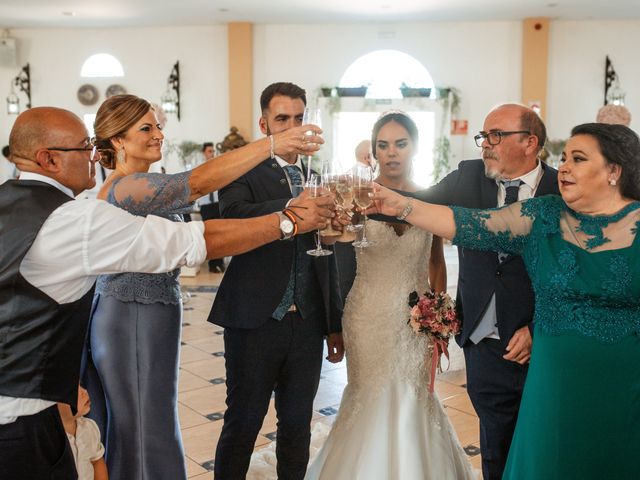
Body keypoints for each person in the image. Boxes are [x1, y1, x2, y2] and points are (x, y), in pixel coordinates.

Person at [0, 107, 332, 480]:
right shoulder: (80, 215)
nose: (94, 156)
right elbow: (197, 215)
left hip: (41, 386)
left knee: (152, 418)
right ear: (48, 159)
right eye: (84, 148)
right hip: (39, 401)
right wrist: (289, 215)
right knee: (143, 424)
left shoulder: (15, 204)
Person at [369, 121, 640, 480]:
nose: (565, 168)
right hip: (554, 386)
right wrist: (399, 203)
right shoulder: (545, 216)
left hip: (625, 385)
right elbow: (467, 223)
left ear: (613, 171)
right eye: (565, 158)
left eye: (578, 159)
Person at [375, 103, 557, 479]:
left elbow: (576, 276)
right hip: (483, 339)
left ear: (530, 143)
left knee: (544, 445)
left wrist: (540, 328)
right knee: (494, 443)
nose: (485, 145)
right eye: (483, 136)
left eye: (496, 136)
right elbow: (415, 205)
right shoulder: (469, 176)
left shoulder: (561, 189)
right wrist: (360, 198)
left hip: (544, 344)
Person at [305, 111, 472, 479]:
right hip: (367, 314)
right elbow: (331, 241)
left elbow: (436, 262)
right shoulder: (358, 196)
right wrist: (335, 222)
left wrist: (438, 315)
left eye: (400, 144)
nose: (392, 153)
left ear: (414, 147)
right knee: (368, 393)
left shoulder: (431, 198)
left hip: (416, 321)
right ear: (374, 152)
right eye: (383, 145)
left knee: (414, 395)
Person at [209, 82, 344, 480]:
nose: (292, 127)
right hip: (254, 319)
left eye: (299, 118)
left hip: (307, 324)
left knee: (297, 425)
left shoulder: (317, 176)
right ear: (264, 123)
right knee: (243, 423)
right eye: (282, 118)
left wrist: (334, 324)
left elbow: (326, 258)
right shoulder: (244, 171)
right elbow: (231, 213)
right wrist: (290, 207)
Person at [57, 386, 108, 480]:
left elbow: (97, 461)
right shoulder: (48, 438)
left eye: (81, 385)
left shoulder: (89, 427)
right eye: (74, 391)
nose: (84, 392)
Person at [199, 141, 226, 272]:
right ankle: (212, 265)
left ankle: (220, 263)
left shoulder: (218, 166)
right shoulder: (198, 168)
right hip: (206, 205)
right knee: (209, 234)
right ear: (204, 153)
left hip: (217, 203)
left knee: (220, 233)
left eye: (213, 151)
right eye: (210, 151)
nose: (212, 154)